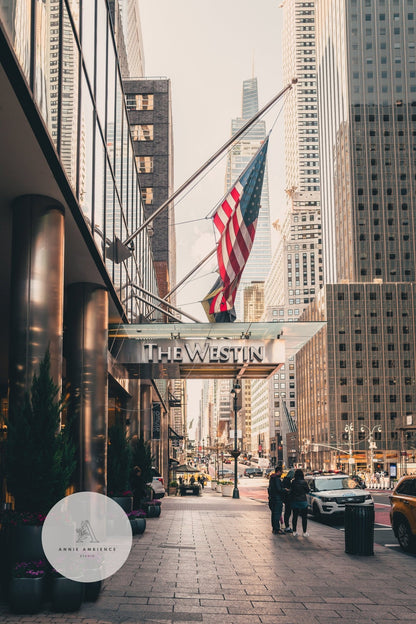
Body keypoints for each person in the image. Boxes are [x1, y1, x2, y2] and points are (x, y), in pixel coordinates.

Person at [290, 468, 310, 537]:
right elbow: (307, 491)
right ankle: (304, 532)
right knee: (304, 517)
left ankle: (294, 531)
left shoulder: (293, 482)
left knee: (295, 517)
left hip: (295, 501)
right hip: (303, 501)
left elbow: (291, 491)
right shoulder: (304, 482)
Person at [267, 465, 285, 535]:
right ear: (279, 471)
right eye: (281, 472)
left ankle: (274, 528)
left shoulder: (272, 478)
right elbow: (279, 489)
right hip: (277, 499)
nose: (282, 473)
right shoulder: (277, 479)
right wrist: (284, 490)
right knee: (277, 514)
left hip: (272, 498)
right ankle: (277, 529)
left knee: (273, 514)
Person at [282, 468, 295, 533]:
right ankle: (287, 527)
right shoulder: (287, 481)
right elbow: (286, 489)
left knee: (287, 513)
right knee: (288, 513)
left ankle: (287, 526)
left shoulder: (285, 480)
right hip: (288, 499)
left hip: (286, 499)